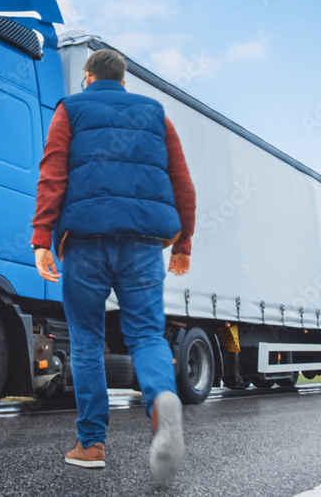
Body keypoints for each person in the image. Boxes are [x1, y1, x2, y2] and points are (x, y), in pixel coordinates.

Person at [31, 49, 196, 482]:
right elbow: (183, 183)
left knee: (87, 342)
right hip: (142, 245)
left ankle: (91, 444)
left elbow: (52, 175)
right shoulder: (156, 113)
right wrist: (184, 245)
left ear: (87, 77)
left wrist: (41, 240)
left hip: (85, 244)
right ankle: (161, 400)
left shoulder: (71, 109)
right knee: (146, 334)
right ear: (123, 80)